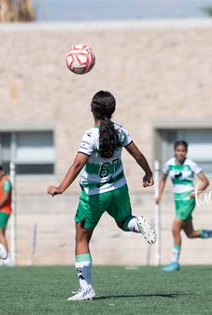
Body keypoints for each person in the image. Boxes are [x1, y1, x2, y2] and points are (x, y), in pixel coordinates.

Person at [47, 90, 156, 301]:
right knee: (124, 221)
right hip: (119, 188)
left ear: (92, 109)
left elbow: (78, 164)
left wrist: (60, 187)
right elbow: (138, 154)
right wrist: (148, 173)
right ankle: (139, 222)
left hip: (95, 195)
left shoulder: (91, 135)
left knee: (81, 238)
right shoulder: (120, 131)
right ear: (112, 110)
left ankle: (86, 287)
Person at [156, 141, 212, 272]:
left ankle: (174, 262)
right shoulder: (169, 164)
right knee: (190, 233)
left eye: (183, 151)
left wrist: (197, 192)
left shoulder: (191, 164)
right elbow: (163, 179)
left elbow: (205, 181)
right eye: (178, 150)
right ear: (174, 151)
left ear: (186, 152)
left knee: (175, 228)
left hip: (188, 199)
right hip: (177, 201)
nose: (181, 153)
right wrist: (159, 194)